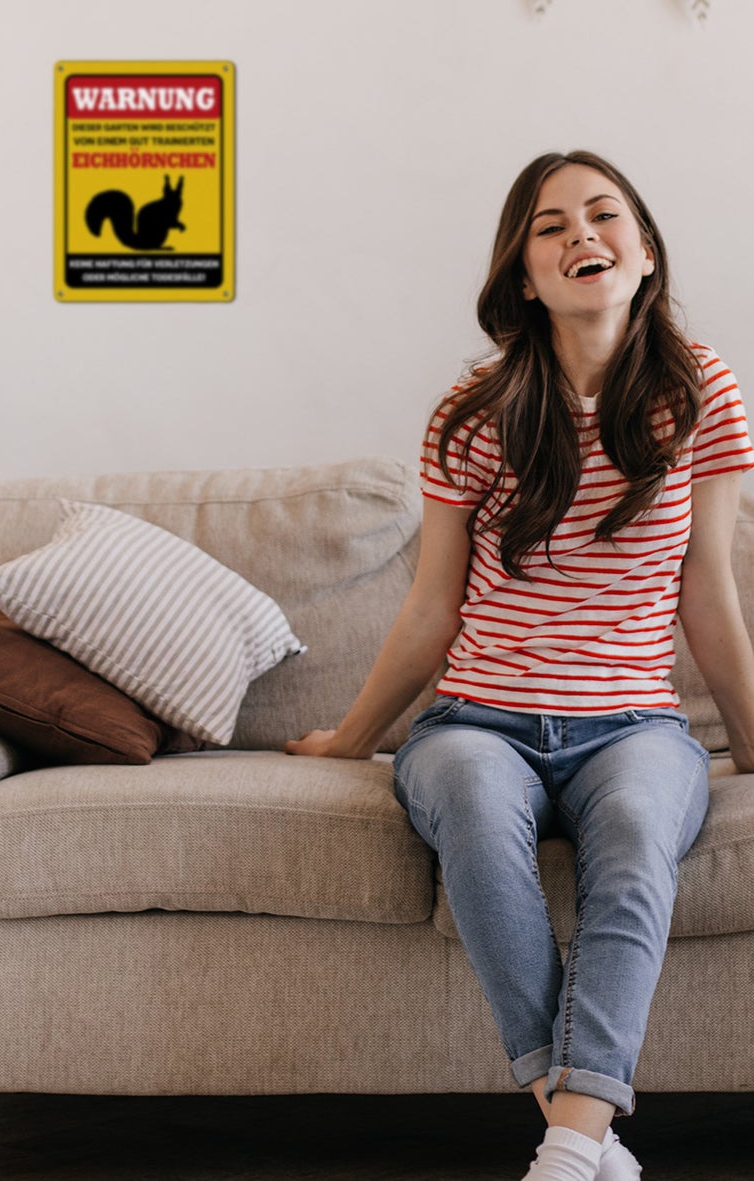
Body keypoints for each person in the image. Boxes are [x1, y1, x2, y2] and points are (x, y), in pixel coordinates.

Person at [285, 151, 754, 1181]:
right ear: (523, 273)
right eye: (550, 225)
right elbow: (431, 607)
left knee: (635, 832)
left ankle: (566, 1144)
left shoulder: (699, 389)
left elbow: (705, 588)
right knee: (466, 806)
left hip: (632, 726)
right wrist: (351, 739)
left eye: (602, 214)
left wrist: (753, 745)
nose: (580, 234)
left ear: (641, 254)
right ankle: (582, 1133)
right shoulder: (473, 407)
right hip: (474, 720)